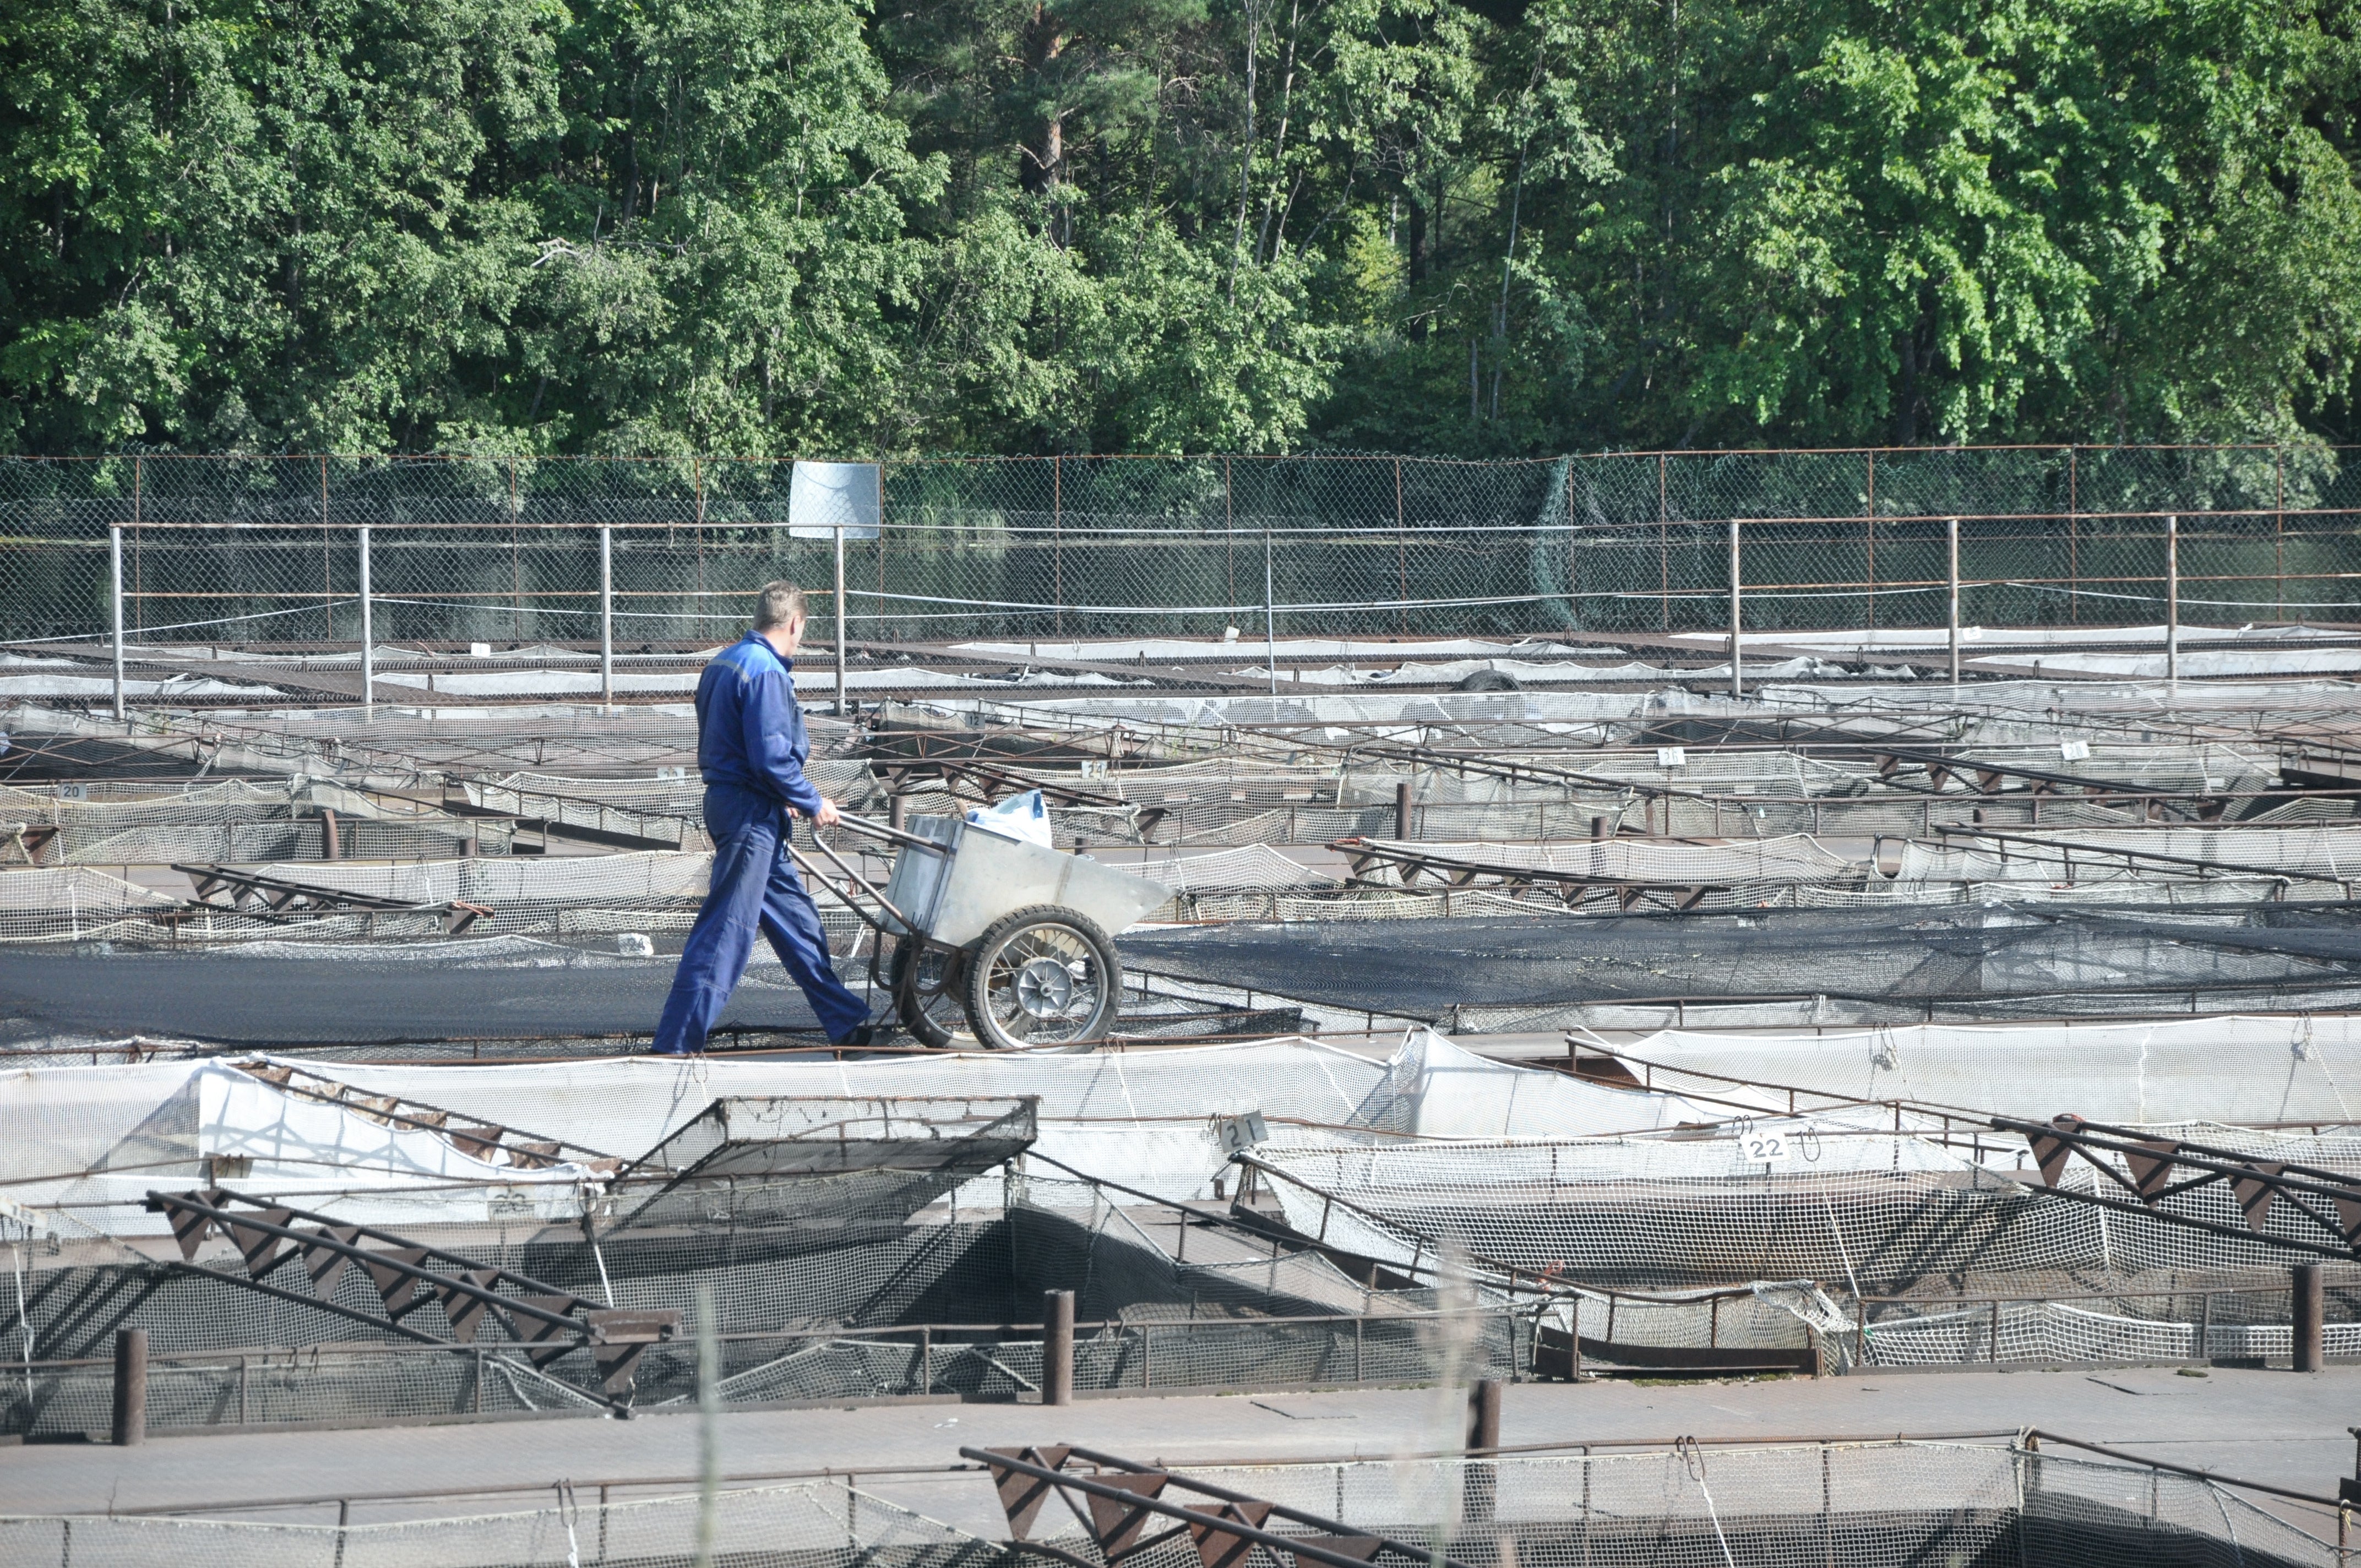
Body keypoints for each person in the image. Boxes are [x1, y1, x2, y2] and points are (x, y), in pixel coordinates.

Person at [651, 581, 878, 1054]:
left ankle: (844, 1021)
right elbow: (772, 758)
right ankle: (673, 1048)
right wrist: (814, 801)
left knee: (797, 921)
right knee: (725, 934)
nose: (801, 639)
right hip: (751, 813)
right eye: (803, 631)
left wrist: (782, 794)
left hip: (743, 805)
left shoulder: (724, 662)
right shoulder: (767, 672)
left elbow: (737, 742)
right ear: (795, 622)